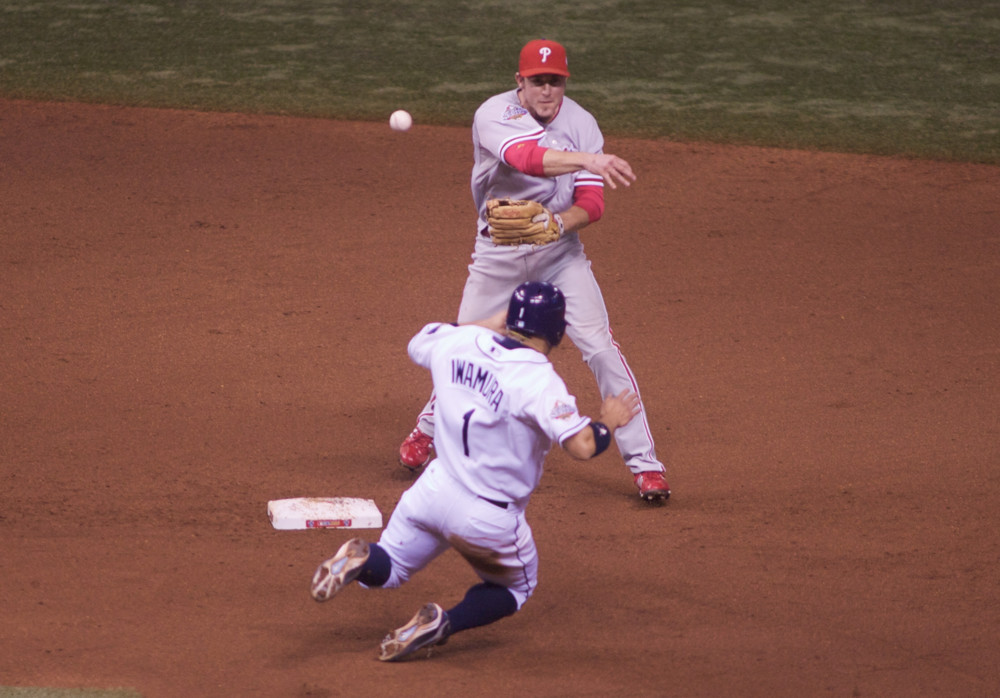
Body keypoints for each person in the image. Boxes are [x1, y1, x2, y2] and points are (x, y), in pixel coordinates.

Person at [398, 38, 670, 502]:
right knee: (469, 344)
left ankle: (645, 464)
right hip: (497, 255)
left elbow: (593, 203)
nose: (547, 91)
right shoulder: (494, 114)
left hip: (560, 253)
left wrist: (559, 224)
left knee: (601, 347)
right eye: (538, 81)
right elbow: (526, 158)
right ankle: (427, 430)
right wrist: (591, 159)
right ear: (518, 82)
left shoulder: (582, 123)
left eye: (555, 81)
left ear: (565, 82)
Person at [311, 281, 639, 661]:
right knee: (516, 589)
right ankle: (442, 623)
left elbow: (420, 341)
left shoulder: (459, 341)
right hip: (487, 518)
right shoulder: (538, 379)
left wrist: (485, 323)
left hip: (432, 491)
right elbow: (582, 445)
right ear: (558, 332)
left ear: (509, 318)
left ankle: (362, 560)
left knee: (392, 566)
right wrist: (608, 423)